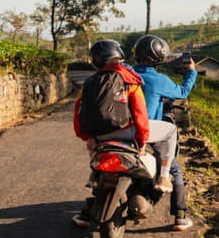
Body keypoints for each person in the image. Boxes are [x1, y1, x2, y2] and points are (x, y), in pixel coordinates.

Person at [71, 39, 178, 227]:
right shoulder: (129, 79)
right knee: (171, 130)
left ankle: (95, 175)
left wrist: (88, 138)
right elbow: (140, 113)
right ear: (118, 56)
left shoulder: (88, 83)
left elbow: (78, 113)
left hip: (100, 138)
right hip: (127, 133)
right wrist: (142, 141)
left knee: (96, 153)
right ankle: (164, 176)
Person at [132, 34, 198, 232]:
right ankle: (180, 216)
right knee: (174, 169)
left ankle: (87, 212)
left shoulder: (126, 73)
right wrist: (191, 72)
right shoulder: (158, 80)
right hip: (148, 132)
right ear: (159, 57)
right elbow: (183, 92)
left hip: (122, 131)